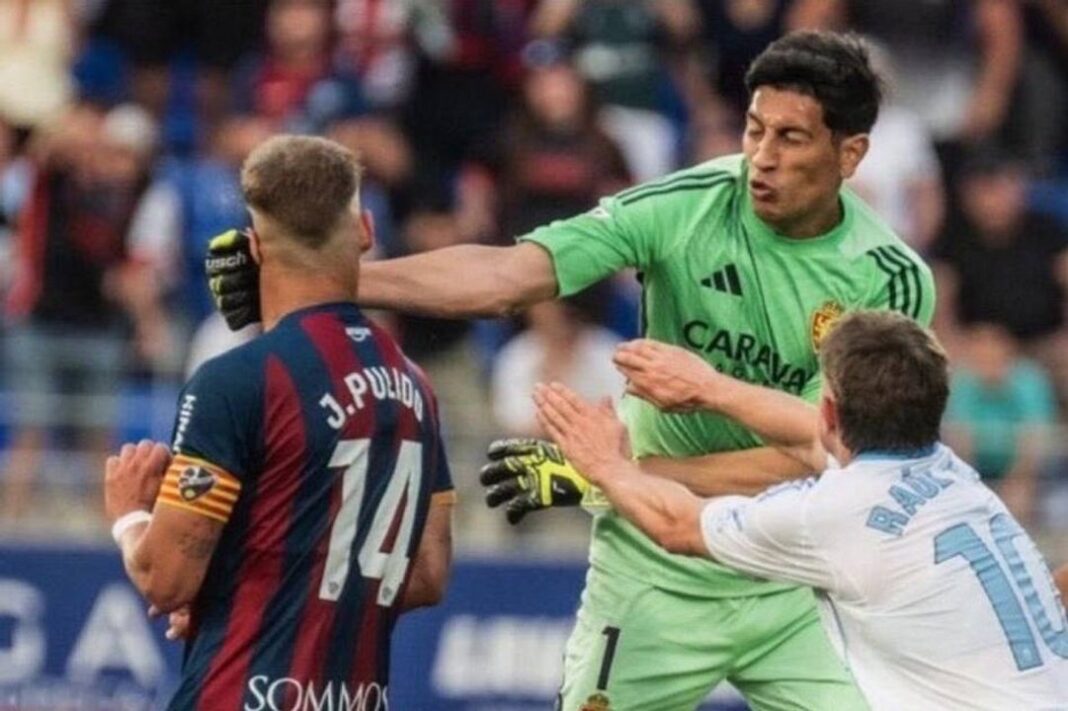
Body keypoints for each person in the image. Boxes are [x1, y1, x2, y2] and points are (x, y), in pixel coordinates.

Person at [208, 31, 932, 710]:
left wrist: (604, 474)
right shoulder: (686, 207)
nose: (762, 157)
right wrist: (324, 280)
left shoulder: (889, 282)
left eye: (791, 137)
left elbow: (818, 457)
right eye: (753, 129)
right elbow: (507, 277)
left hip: (796, 579)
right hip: (654, 572)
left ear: (851, 153)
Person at [534, 311, 1068, 709]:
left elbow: (678, 526)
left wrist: (606, 465)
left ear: (830, 410)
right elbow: (814, 442)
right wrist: (709, 389)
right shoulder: (951, 474)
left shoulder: (828, 515)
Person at [104, 136, 455, 710]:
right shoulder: (416, 385)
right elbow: (427, 573)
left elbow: (165, 580)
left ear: (253, 248)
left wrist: (130, 514)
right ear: (365, 231)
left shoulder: (238, 380)